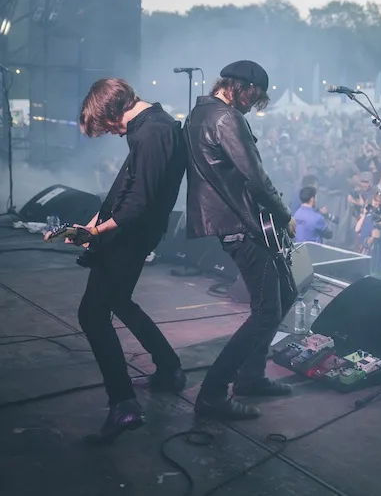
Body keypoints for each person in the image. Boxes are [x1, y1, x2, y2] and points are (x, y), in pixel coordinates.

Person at [53, 79, 188, 444]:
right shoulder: (149, 127)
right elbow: (125, 189)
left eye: (107, 125)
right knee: (117, 301)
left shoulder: (152, 133)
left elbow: (137, 204)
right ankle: (170, 366)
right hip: (127, 236)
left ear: (113, 110)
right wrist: (90, 226)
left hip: (129, 239)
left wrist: (96, 234)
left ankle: (124, 405)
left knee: (92, 313)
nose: (111, 133)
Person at [184, 60, 297, 421]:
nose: (253, 105)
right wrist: (284, 215)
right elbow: (256, 177)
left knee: (286, 291)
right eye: (254, 96)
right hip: (242, 224)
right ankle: (213, 393)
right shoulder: (225, 118)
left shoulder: (200, 113)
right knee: (266, 313)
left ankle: (251, 376)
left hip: (232, 221)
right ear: (239, 86)